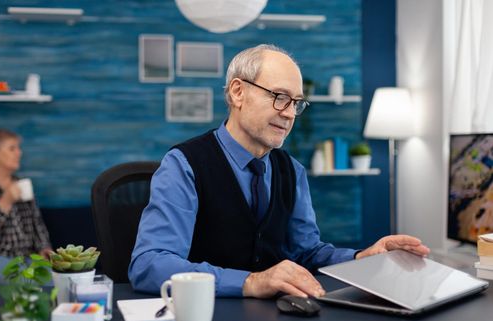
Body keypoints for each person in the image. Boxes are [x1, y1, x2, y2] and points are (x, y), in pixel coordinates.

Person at [128, 44, 430, 299]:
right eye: (279, 97)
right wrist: (250, 282)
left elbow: (307, 252)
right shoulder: (184, 164)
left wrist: (361, 258)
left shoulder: (291, 170)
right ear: (237, 92)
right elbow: (149, 264)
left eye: (296, 103)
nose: (288, 113)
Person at [0, 129, 52, 285]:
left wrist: (44, 247)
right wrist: (5, 201)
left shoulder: (21, 184)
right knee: (30, 284)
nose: (19, 153)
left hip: (24, 256)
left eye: (18, 148)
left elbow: (36, 223)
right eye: (12, 148)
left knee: (56, 281)